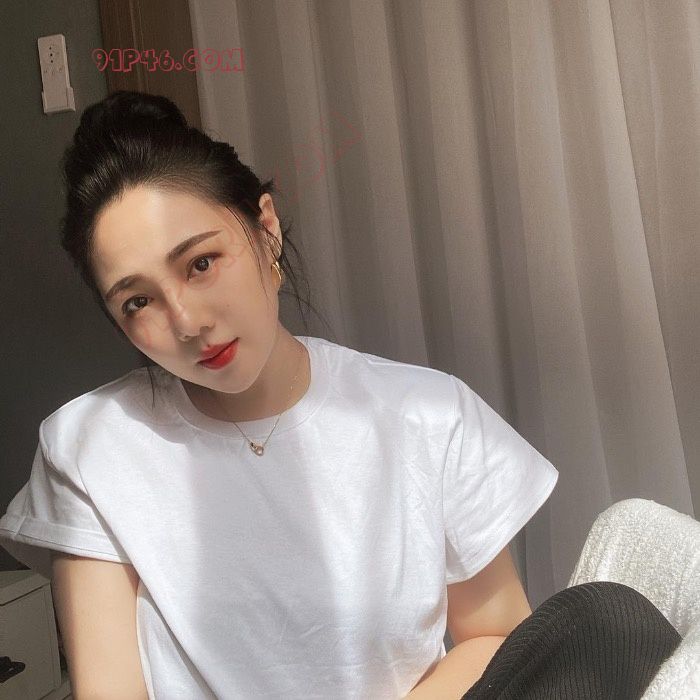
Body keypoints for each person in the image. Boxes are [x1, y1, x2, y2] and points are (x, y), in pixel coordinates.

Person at [0, 90, 676, 699]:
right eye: (138, 301)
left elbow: (494, 637)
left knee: (610, 622)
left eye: (201, 263)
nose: (186, 322)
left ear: (265, 230)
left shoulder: (427, 414)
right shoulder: (91, 444)